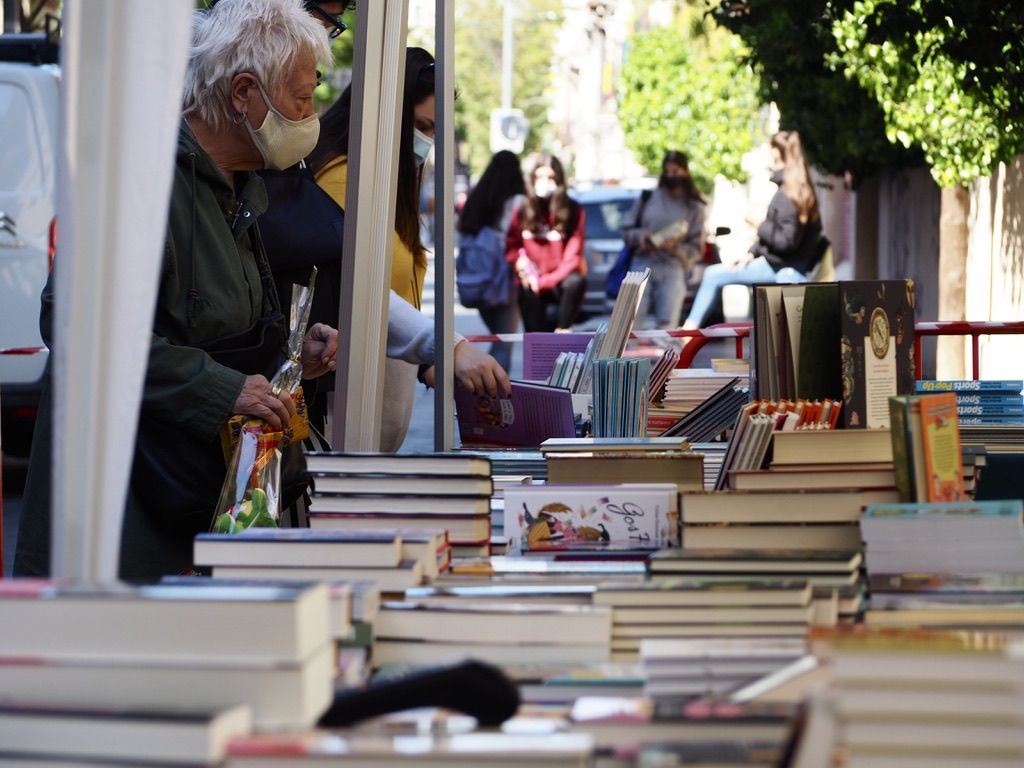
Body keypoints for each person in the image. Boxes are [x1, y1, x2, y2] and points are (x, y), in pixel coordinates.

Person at [14, 0, 338, 581]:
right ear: (245, 93)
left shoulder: (236, 190)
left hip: (197, 504)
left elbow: (219, 331)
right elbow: (76, 323)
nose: (310, 115)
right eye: (301, 96)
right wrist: (221, 389)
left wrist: (291, 362)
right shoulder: (142, 180)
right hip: (128, 524)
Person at [303, 47, 508, 452]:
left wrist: (429, 362)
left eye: (434, 132)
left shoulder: (388, 187)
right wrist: (449, 347)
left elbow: (394, 301)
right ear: (388, 116)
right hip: (341, 406)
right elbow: (359, 288)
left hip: (379, 416)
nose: (426, 141)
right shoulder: (344, 180)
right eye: (421, 126)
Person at [682, 130, 823, 331]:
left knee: (713, 275)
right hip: (787, 266)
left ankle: (687, 332)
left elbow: (785, 242)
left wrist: (759, 223)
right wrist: (751, 252)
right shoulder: (798, 190)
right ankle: (688, 331)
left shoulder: (787, 195)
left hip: (782, 268)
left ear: (777, 155)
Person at [456, 150, 526, 371]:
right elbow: (515, 238)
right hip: (503, 283)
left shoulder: (477, 199)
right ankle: (493, 398)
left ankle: (487, 395)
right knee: (504, 344)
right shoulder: (516, 202)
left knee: (497, 339)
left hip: (479, 282)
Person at [622, 150, 706, 329]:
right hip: (642, 263)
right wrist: (639, 236)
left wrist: (676, 247)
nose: (670, 176)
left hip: (672, 267)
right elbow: (626, 230)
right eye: (667, 171)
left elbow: (696, 249)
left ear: (685, 172)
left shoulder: (694, 208)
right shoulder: (648, 198)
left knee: (667, 327)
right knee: (630, 324)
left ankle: (665, 356)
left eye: (675, 171)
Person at [505, 153, 586, 333]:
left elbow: (573, 256)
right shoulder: (523, 209)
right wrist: (521, 266)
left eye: (550, 177)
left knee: (576, 281)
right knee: (535, 335)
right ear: (532, 178)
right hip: (531, 285)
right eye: (540, 176)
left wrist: (546, 281)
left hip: (560, 282)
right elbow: (511, 246)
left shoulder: (573, 210)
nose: (545, 181)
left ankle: (563, 331)